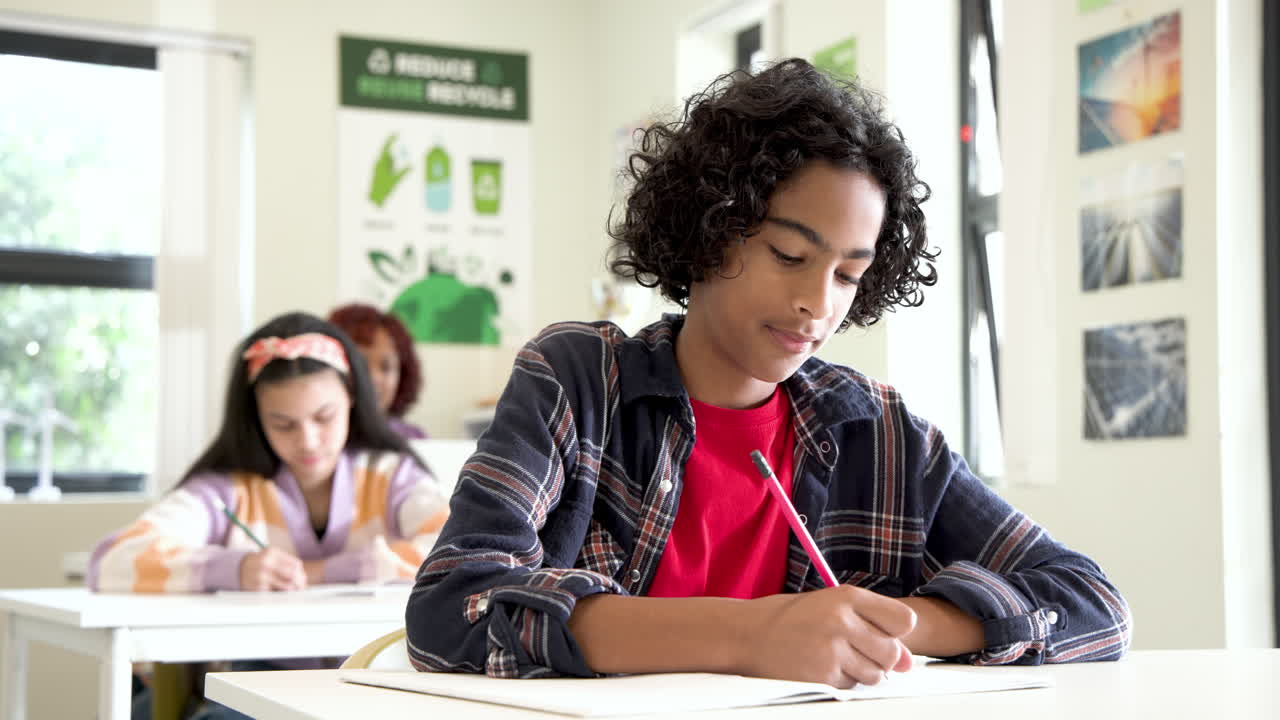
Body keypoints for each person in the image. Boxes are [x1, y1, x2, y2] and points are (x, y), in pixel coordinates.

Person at [405, 59, 1131, 688]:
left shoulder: (879, 432)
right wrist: (754, 636)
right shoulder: (578, 382)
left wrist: (881, 630)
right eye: (790, 255)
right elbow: (448, 611)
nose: (818, 304)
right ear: (710, 228)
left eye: (850, 275)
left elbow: (1093, 605)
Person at [89, 311, 449, 719]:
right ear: (257, 419)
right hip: (259, 680)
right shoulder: (227, 489)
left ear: (351, 398)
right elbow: (112, 559)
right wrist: (234, 568)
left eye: (324, 417)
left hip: (379, 684)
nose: (308, 440)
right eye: (283, 424)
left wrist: (319, 572)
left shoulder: (392, 476)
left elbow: (456, 551)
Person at [328, 303, 427, 440]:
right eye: (361, 365)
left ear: (403, 375)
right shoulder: (317, 441)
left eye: (386, 367)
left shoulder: (416, 440)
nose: (374, 378)